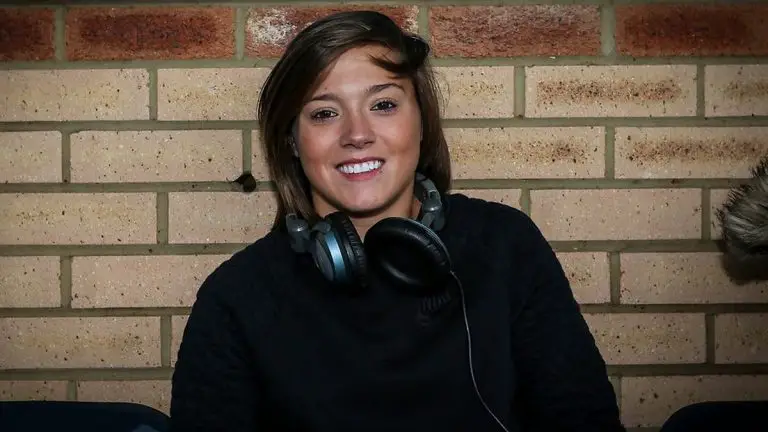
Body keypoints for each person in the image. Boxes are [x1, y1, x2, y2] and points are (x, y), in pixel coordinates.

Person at [169, 10, 625, 431]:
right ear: (291, 141)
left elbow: (583, 418)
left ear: (421, 120)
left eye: (383, 104)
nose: (358, 134)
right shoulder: (237, 297)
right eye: (325, 113)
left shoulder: (505, 246)